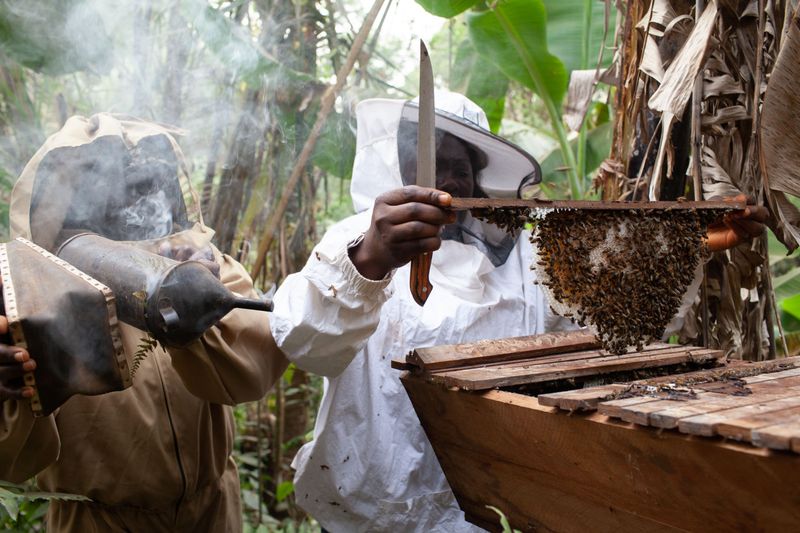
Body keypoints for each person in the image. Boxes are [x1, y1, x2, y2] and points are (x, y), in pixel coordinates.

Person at [268, 91, 768, 532]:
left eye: (456, 163)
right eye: (426, 164)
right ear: (399, 173)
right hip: (375, 512)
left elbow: (606, 319)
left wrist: (691, 243)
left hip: (493, 507)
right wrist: (371, 260)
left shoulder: (525, 254)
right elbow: (306, 341)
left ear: (476, 174)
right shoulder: (356, 240)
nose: (442, 179)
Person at [0, 114, 288, 531]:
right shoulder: (27, 298)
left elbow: (252, 374)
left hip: (212, 515)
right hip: (100, 523)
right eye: (97, 180)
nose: (121, 196)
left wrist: (192, 306)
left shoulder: (207, 264)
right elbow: (12, 462)